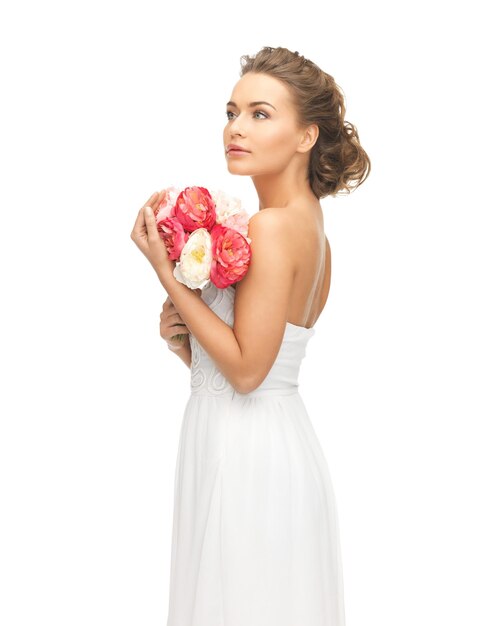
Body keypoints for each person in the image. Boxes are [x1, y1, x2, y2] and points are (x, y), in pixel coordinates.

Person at [131, 45, 370, 626]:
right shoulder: (311, 226)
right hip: (259, 440)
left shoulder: (271, 226)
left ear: (306, 136)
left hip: (248, 462)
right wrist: (185, 344)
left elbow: (245, 372)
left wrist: (168, 272)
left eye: (260, 114)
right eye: (232, 112)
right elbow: (257, 368)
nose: (235, 128)